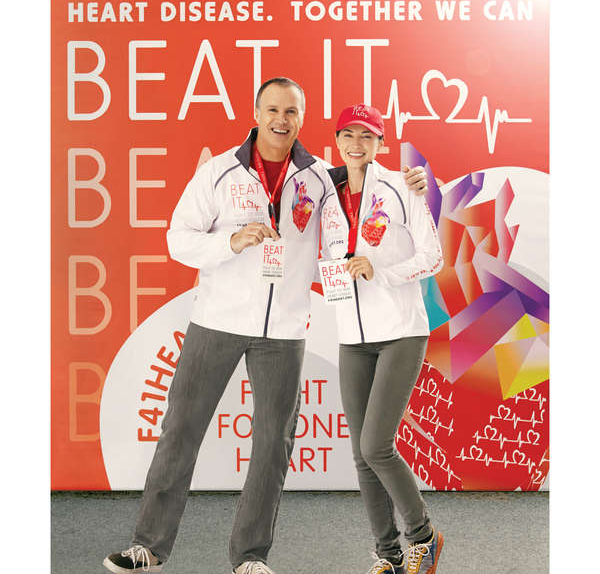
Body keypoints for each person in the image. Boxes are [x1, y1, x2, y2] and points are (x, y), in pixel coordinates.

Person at [102, 79, 428, 574]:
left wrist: (412, 183)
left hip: (285, 330)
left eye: (291, 111)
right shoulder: (218, 172)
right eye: (272, 109)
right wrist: (229, 242)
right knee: (181, 429)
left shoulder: (319, 179)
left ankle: (251, 557)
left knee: (274, 443)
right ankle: (148, 546)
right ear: (256, 113)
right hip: (217, 320)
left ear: (302, 118)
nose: (281, 119)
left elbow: (363, 189)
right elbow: (177, 238)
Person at [325, 104, 444, 574]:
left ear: (380, 143)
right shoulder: (325, 193)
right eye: (348, 134)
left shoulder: (402, 186)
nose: (356, 144)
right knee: (361, 454)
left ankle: (423, 536)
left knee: (376, 445)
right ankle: (387, 555)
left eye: (367, 136)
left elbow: (432, 256)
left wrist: (382, 272)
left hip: (400, 331)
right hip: (351, 335)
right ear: (337, 139)